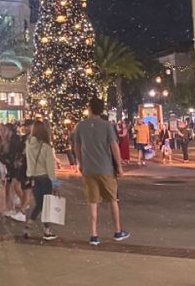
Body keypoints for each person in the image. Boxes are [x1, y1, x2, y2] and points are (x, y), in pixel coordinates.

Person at [73, 97, 130, 246]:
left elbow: (77, 147)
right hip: (106, 169)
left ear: (89, 108)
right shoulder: (106, 126)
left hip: (89, 169)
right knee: (112, 200)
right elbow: (114, 147)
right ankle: (118, 231)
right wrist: (119, 166)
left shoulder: (80, 126)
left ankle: (94, 234)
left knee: (92, 201)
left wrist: (80, 163)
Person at [24, 120, 60, 240]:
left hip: (34, 178)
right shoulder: (46, 147)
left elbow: (28, 162)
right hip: (45, 178)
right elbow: (50, 168)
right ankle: (47, 231)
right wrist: (55, 183)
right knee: (45, 206)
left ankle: (30, 225)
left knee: (40, 204)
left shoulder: (28, 144)